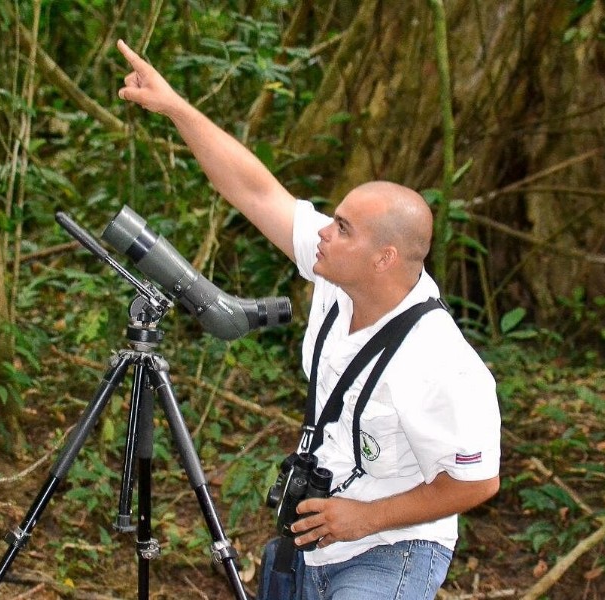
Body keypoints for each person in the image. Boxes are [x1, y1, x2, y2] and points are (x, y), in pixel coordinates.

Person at [116, 39, 501, 600]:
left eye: (342, 227)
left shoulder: (440, 362)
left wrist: (367, 518)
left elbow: (478, 480)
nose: (323, 231)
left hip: (394, 547)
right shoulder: (336, 274)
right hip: (315, 534)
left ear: (384, 258)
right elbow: (253, 188)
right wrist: (176, 107)